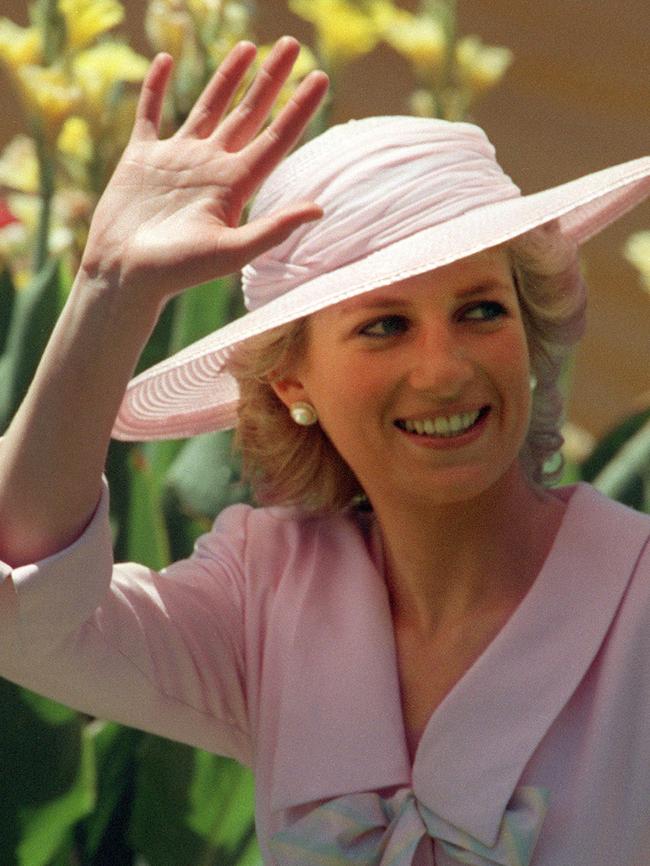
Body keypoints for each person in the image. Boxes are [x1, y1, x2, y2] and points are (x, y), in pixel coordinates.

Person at [1, 35, 650, 866]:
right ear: (290, 383)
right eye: (384, 326)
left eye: (482, 310)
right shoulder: (267, 596)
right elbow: (27, 610)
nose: (444, 369)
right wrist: (107, 287)